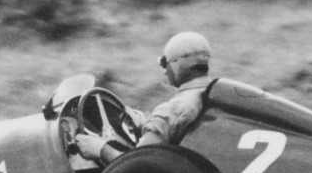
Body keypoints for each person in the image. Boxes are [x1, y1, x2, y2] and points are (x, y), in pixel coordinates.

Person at [75, 31, 214, 165]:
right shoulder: (208, 93)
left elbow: (136, 166)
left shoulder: (171, 110)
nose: (164, 71)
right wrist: (145, 123)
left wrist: (100, 149)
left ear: (178, 64)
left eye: (165, 63)